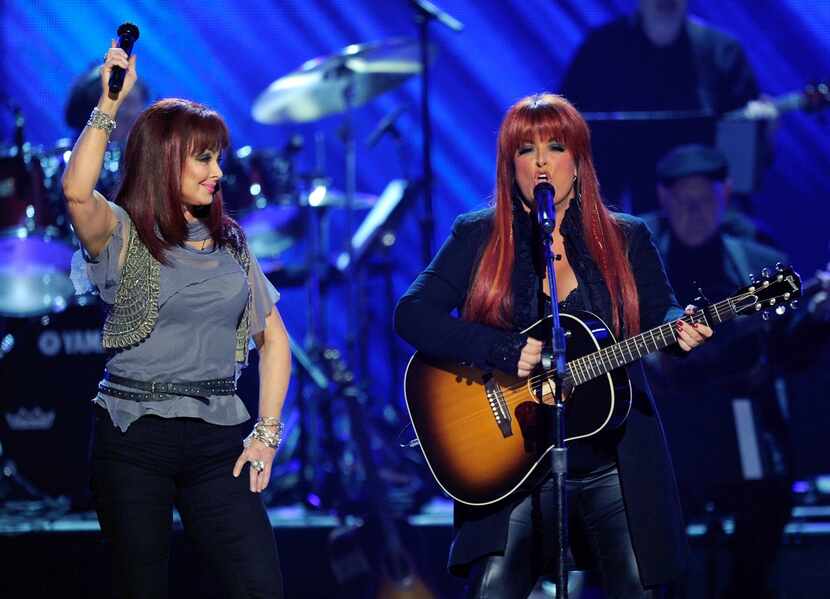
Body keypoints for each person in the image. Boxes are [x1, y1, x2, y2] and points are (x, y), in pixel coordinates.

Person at [394, 93, 712, 598]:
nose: (541, 162)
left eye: (555, 147)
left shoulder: (628, 237)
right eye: (526, 150)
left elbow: (661, 314)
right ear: (510, 165)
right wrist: (498, 350)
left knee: (638, 586)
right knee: (495, 586)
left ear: (579, 161)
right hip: (511, 459)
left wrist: (684, 327)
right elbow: (411, 314)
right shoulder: (479, 235)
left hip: (613, 456)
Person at [62, 42, 290, 598]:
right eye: (204, 158)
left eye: (218, 157)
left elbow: (275, 341)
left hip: (218, 441)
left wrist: (266, 433)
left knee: (261, 587)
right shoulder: (120, 232)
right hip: (133, 436)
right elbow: (75, 190)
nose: (218, 171)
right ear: (167, 160)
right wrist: (109, 104)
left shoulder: (231, 242)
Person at [641, 144, 830, 598]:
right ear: (663, 200)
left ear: (726, 195)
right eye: (683, 201)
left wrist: (818, 319)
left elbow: (788, 353)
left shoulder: (755, 260)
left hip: (738, 417)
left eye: (705, 199)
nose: (694, 212)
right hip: (665, 423)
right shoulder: (640, 257)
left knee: (767, 493)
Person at [560, 0, 771, 215]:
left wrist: (761, 133)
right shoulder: (601, 50)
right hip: (615, 215)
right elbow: (564, 137)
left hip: (705, 217)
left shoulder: (722, 53)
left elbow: (742, 171)